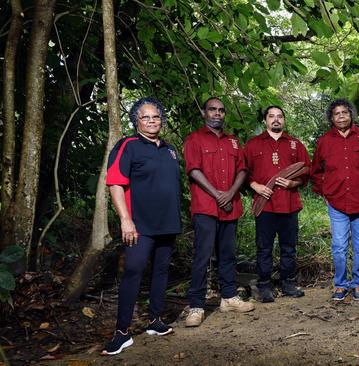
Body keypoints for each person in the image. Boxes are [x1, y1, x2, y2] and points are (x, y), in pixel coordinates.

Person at [102, 97, 181, 355]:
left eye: (155, 116)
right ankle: (121, 333)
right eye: (145, 117)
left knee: (161, 272)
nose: (151, 121)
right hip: (139, 225)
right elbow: (115, 183)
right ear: (136, 120)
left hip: (167, 223)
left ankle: (155, 321)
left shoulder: (169, 149)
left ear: (161, 120)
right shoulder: (128, 146)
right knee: (133, 272)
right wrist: (126, 219)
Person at [183, 97, 255, 328]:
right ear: (204, 113)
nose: (217, 114)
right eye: (212, 110)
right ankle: (196, 306)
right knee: (202, 256)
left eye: (221, 110)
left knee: (228, 255)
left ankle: (229, 298)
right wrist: (217, 194)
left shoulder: (233, 141)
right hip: (206, 206)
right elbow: (193, 170)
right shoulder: (195, 139)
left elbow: (242, 170)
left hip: (230, 207)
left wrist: (230, 193)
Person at [244, 106, 310, 302]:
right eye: (271, 116)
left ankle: (288, 283)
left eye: (279, 116)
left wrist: (293, 183)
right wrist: (255, 185)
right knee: (264, 247)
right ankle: (265, 286)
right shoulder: (253, 144)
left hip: (289, 204)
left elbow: (307, 171)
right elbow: (242, 172)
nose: (275, 120)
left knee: (288, 247)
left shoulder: (295, 144)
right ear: (265, 121)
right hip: (264, 205)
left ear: (284, 120)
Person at [311, 99, 359, 301]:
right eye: (337, 114)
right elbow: (316, 171)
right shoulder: (324, 141)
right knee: (339, 247)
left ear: (350, 115)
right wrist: (325, 194)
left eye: (345, 112)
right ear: (331, 118)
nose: (341, 116)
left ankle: (357, 283)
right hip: (337, 202)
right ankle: (340, 284)